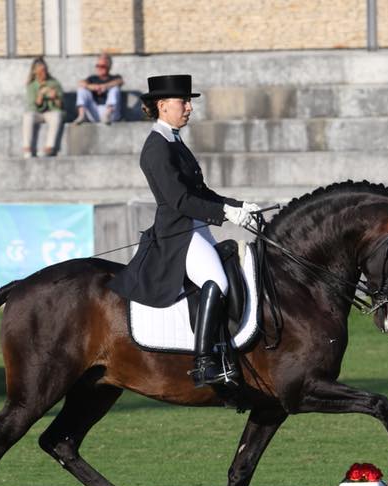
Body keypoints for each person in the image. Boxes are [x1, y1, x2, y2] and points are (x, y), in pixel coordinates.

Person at [107, 75, 260, 388]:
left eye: (189, 102)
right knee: (215, 280)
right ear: (163, 106)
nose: (189, 107)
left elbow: (200, 192)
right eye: (184, 102)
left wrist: (240, 205)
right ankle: (205, 363)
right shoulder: (156, 147)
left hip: (196, 227)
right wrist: (225, 213)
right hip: (178, 232)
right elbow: (179, 200)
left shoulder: (175, 141)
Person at [22, 56, 65, 158]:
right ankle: (27, 148)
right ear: (35, 72)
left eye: (44, 70)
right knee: (28, 116)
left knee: (56, 116)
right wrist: (40, 96)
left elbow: (60, 106)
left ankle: (49, 147)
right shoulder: (31, 85)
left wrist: (55, 97)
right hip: (37, 113)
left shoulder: (55, 83)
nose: (43, 73)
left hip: (51, 112)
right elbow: (32, 106)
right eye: (40, 71)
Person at [74, 53, 124, 125]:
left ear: (108, 67)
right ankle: (81, 115)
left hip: (111, 114)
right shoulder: (92, 78)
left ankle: (107, 115)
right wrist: (94, 87)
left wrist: (105, 86)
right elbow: (80, 83)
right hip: (95, 112)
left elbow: (120, 81)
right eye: (98, 66)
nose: (99, 68)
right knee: (82, 90)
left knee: (115, 89)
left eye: (102, 66)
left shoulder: (114, 77)